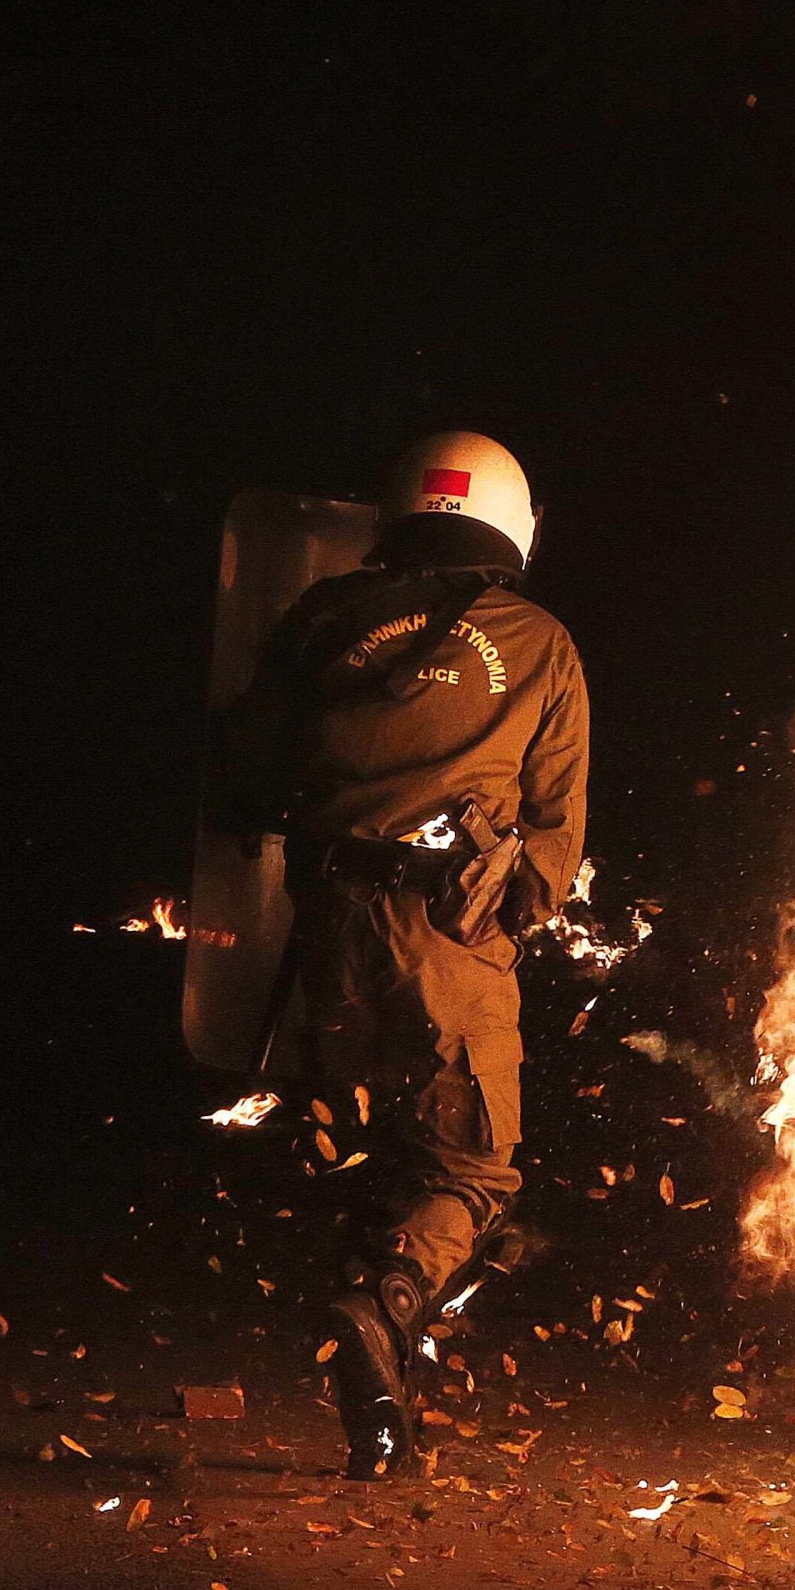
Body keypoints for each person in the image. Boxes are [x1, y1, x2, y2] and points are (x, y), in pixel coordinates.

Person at [207, 431, 588, 1477]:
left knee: (377, 1162)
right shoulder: (540, 641)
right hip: (450, 937)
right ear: (510, 522)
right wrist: (508, 915)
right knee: (467, 1168)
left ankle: (383, 1423)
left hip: (325, 932)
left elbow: (240, 776)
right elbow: (554, 843)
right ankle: (378, 1308)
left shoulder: (321, 617)